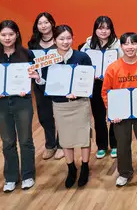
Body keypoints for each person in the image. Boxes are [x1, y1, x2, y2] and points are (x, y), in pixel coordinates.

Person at [0, 20, 39, 192]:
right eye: (3, 35)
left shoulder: (27, 54)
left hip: (22, 102)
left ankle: (28, 175)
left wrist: (36, 77)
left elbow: (37, 76)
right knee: (7, 141)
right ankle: (11, 177)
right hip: (0, 103)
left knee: (25, 140)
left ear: (17, 35)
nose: (7, 38)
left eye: (11, 34)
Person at [102, 32, 137, 187]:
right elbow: (105, 92)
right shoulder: (113, 68)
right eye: (126, 44)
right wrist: (113, 111)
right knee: (122, 144)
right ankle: (124, 172)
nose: (130, 47)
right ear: (121, 46)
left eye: (133, 43)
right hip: (121, 115)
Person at [41, 25, 93, 188]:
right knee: (65, 138)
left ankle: (85, 166)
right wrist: (37, 78)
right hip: (60, 105)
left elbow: (88, 81)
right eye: (61, 39)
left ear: (73, 38)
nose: (65, 42)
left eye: (68, 38)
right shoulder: (48, 59)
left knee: (84, 136)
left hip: (80, 103)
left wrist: (78, 92)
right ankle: (71, 168)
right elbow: (45, 83)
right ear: (54, 40)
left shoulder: (82, 57)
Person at [80, 16, 120, 159]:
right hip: (95, 84)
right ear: (95, 29)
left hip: (114, 84)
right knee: (99, 116)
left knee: (115, 115)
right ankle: (102, 146)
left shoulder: (118, 45)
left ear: (111, 30)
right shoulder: (87, 45)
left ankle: (115, 145)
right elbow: (82, 64)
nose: (104, 31)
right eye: (100, 28)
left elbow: (123, 63)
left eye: (107, 28)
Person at [27, 12, 64, 160]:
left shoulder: (60, 39)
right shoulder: (33, 43)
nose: (43, 26)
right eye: (40, 23)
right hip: (40, 84)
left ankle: (62, 144)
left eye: (46, 22)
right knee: (45, 115)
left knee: (60, 114)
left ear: (52, 23)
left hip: (59, 83)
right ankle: (50, 144)